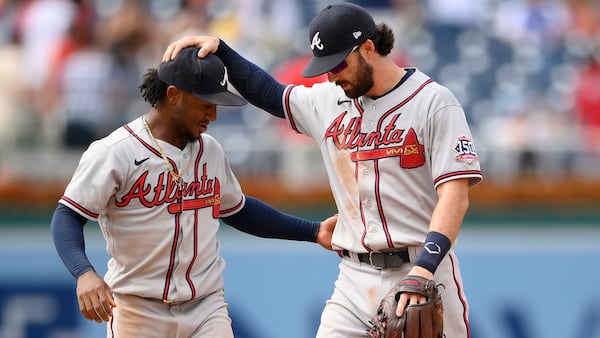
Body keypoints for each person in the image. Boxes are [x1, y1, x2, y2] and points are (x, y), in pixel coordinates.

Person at [162, 2, 483, 337]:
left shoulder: (433, 102)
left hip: (423, 268)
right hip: (354, 277)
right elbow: (272, 94)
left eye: (337, 64)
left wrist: (425, 269)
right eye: (325, 67)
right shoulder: (329, 99)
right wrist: (225, 52)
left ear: (368, 48)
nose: (331, 75)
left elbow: (455, 197)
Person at [50, 46, 337, 338]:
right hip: (138, 309)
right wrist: (83, 272)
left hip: (205, 306)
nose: (213, 114)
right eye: (206, 103)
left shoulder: (210, 150)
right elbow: (67, 216)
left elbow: (239, 211)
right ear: (174, 95)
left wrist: (312, 231)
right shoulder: (115, 152)